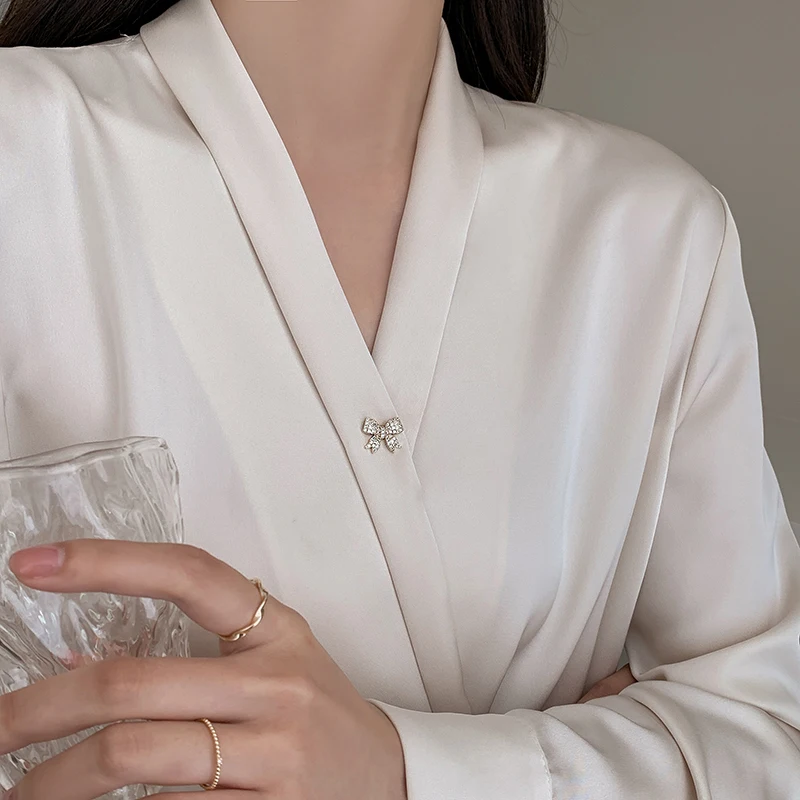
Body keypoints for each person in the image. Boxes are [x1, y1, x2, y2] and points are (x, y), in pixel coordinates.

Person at [0, 0, 799, 797]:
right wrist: (589, 763)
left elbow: (769, 744)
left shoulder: (650, 233)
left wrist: (404, 769)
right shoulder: (26, 159)